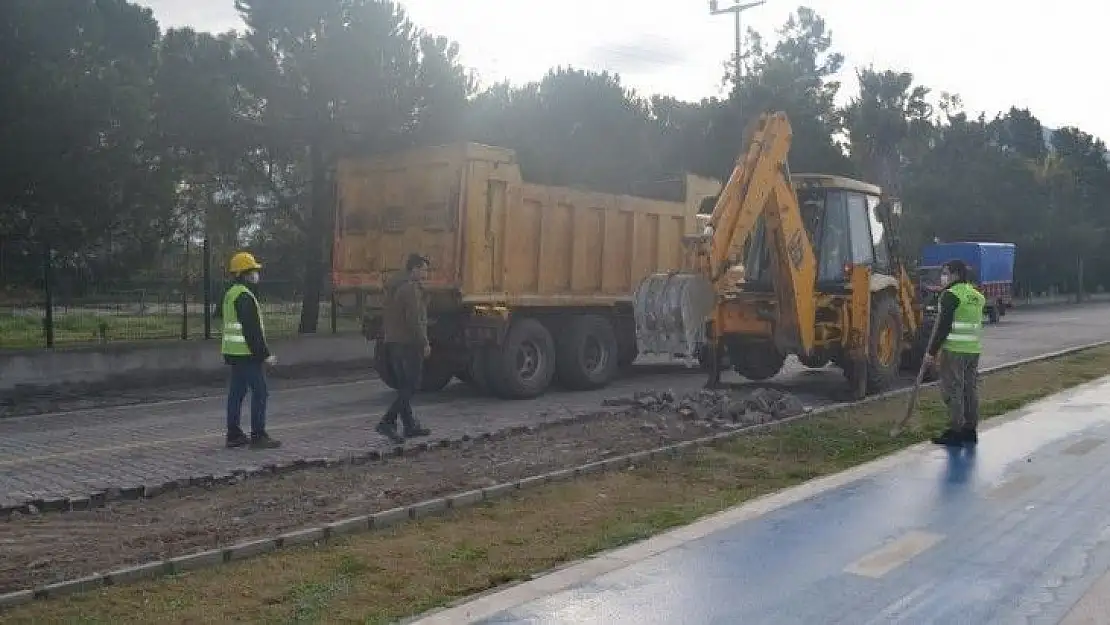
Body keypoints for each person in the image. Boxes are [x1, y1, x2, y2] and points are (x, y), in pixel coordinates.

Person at [221, 251, 281, 449]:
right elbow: (252, 331)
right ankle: (258, 435)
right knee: (261, 392)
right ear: (244, 274)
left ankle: (234, 434)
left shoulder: (231, 293)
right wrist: (265, 356)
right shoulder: (245, 296)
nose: (256, 274)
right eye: (253, 271)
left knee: (236, 393)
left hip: (233, 353)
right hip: (247, 354)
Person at [925, 259, 986, 447]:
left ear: (955, 275)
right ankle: (970, 429)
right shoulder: (977, 296)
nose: (943, 277)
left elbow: (942, 327)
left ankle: (955, 430)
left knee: (953, 390)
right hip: (973, 351)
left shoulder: (950, 295)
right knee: (970, 390)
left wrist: (931, 352)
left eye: (945, 273)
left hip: (954, 351)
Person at [376, 253, 433, 444]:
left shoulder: (394, 285)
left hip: (393, 342)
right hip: (408, 343)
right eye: (424, 269)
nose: (426, 273)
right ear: (415, 269)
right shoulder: (410, 289)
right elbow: (415, 320)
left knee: (403, 386)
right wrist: (424, 342)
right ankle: (387, 421)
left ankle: (409, 426)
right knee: (411, 385)